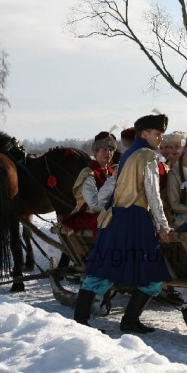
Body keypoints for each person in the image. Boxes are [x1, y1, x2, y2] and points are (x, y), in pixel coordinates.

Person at [73, 112, 172, 334]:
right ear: (145, 133)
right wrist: (163, 225)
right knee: (153, 275)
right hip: (136, 221)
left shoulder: (127, 156)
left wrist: (101, 205)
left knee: (103, 271)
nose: (161, 139)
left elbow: (110, 189)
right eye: (158, 134)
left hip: (117, 220)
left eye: (162, 135)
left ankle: (80, 321)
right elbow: (153, 195)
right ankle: (128, 321)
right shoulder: (147, 156)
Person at [61, 131, 116, 238]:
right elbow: (94, 205)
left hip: (108, 213)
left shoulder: (112, 172)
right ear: (95, 152)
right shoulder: (88, 173)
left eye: (111, 150)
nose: (108, 153)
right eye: (104, 149)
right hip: (90, 215)